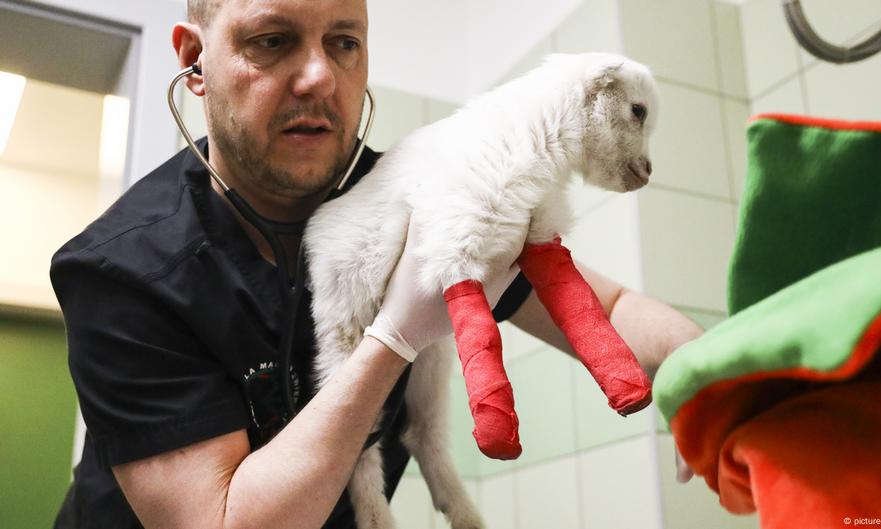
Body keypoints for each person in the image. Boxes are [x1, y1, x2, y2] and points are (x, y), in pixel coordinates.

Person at [51, 1, 702, 528]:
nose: (320, 78)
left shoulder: (412, 189)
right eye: (272, 40)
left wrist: (716, 381)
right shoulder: (121, 272)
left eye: (344, 42)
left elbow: (609, 310)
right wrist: (394, 335)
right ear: (196, 62)